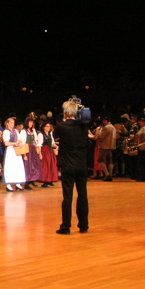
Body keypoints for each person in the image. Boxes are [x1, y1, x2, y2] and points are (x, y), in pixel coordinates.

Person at [53, 100, 89, 235]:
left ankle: (65, 227)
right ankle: (84, 225)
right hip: (81, 165)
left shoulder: (61, 126)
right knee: (83, 195)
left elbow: (56, 138)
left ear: (65, 113)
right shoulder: (83, 126)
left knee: (67, 197)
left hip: (68, 165)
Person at [2, 117, 26, 192]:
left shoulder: (15, 130)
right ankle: (8, 185)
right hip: (10, 151)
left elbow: (19, 139)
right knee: (10, 167)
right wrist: (14, 143)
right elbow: (6, 143)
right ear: (7, 123)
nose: (13, 124)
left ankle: (18, 183)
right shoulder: (6, 131)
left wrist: (20, 143)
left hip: (16, 151)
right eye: (11, 123)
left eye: (13, 123)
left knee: (18, 166)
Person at [37, 122, 59, 187]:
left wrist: (56, 146)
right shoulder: (41, 134)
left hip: (50, 151)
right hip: (44, 151)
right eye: (47, 126)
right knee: (45, 166)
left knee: (51, 165)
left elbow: (52, 143)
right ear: (44, 127)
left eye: (49, 126)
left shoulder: (50, 134)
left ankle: (50, 180)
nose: (48, 128)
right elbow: (39, 145)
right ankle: (45, 181)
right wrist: (40, 154)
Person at [95, 116, 116, 181]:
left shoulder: (106, 127)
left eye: (104, 121)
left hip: (105, 146)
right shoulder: (113, 127)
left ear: (106, 121)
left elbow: (100, 136)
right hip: (112, 146)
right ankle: (110, 174)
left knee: (100, 160)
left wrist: (97, 132)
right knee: (110, 160)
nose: (103, 122)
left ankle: (107, 174)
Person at [134, 117, 145, 182]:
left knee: (141, 163)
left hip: (143, 147)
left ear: (144, 122)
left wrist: (136, 141)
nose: (139, 122)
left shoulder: (143, 128)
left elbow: (137, 134)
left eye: (141, 121)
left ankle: (142, 177)